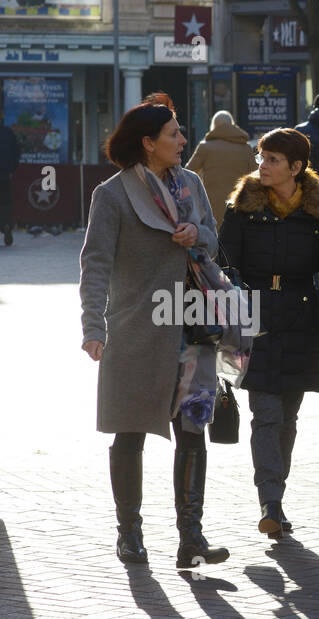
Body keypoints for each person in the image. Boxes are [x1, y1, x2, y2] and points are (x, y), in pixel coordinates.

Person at [79, 93, 231, 568]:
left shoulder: (191, 184)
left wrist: (196, 235)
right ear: (148, 143)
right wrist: (92, 324)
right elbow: (95, 263)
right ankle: (130, 534)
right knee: (130, 433)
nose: (183, 141)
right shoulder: (111, 194)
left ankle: (192, 536)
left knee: (192, 431)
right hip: (136, 329)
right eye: (174, 134)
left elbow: (212, 235)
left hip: (191, 326)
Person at [219, 127, 319, 538]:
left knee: (288, 416)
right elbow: (223, 268)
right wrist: (222, 324)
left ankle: (276, 495)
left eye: (271, 159)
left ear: (296, 167)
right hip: (255, 319)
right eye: (261, 158)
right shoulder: (242, 207)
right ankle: (270, 501)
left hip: (302, 320)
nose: (262, 165)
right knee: (266, 414)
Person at [184, 110, 256, 231]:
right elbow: (255, 175)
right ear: (232, 124)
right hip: (240, 202)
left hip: (210, 204)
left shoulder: (205, 147)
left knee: (215, 238)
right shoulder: (246, 148)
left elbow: (188, 172)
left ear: (214, 126)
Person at [0, 106, 17, 246]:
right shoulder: (8, 132)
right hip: (5, 175)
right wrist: (12, 169)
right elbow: (16, 152)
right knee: (5, 203)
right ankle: (5, 224)